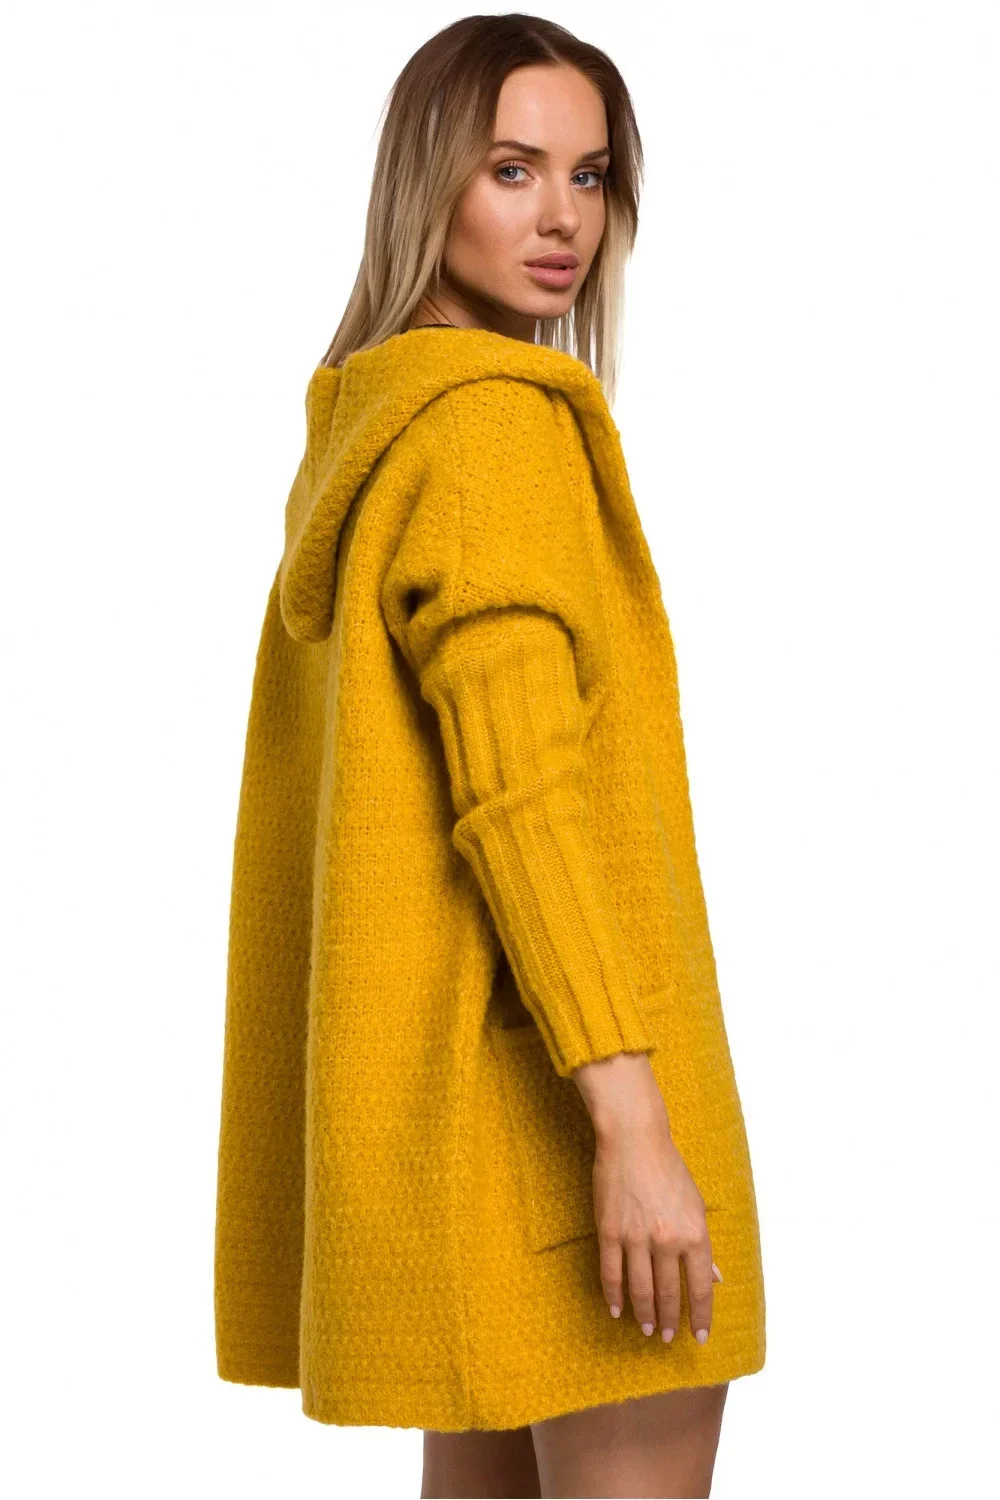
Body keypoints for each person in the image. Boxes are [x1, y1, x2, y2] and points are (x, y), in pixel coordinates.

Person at [214, 14, 766, 1498]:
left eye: (590, 175)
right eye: (512, 169)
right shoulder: (496, 436)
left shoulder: (378, 426)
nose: (561, 217)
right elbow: (523, 805)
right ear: (427, 183)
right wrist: (632, 1125)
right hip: (567, 1126)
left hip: (455, 1136)